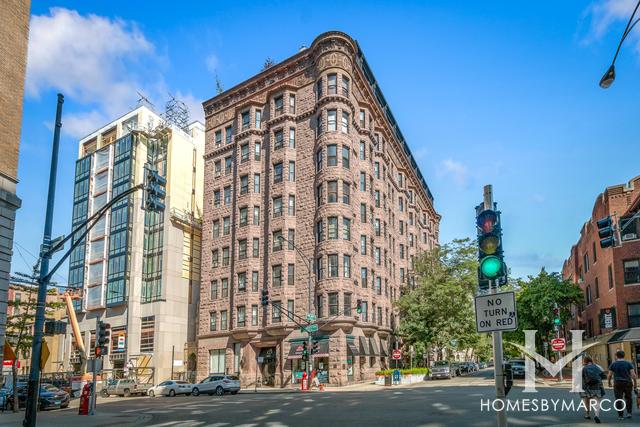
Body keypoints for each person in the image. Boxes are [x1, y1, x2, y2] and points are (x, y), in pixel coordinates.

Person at [608, 349, 637, 420]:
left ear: (616, 356)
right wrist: (635, 383)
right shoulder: (628, 363)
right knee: (628, 398)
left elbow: (609, 375)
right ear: (624, 356)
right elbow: (633, 375)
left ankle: (620, 415)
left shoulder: (613, 364)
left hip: (617, 383)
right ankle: (629, 413)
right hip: (628, 383)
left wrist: (609, 382)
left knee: (618, 399)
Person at [580, 355, 605, 424]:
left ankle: (587, 414)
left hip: (585, 387)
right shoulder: (598, 367)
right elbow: (603, 376)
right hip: (596, 387)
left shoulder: (582, 368)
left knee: (586, 401)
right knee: (597, 401)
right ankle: (596, 415)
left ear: (584, 361)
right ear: (591, 360)